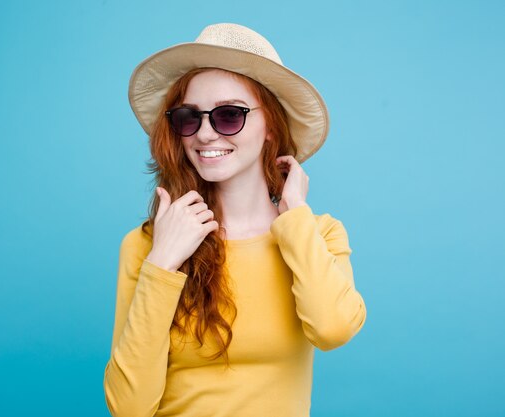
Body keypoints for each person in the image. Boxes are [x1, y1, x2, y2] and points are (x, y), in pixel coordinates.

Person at [103, 23, 367, 417]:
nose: (205, 134)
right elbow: (129, 408)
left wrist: (295, 217)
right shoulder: (146, 246)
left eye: (228, 115)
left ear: (271, 127)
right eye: (189, 118)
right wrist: (162, 263)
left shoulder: (317, 234)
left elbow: (332, 329)